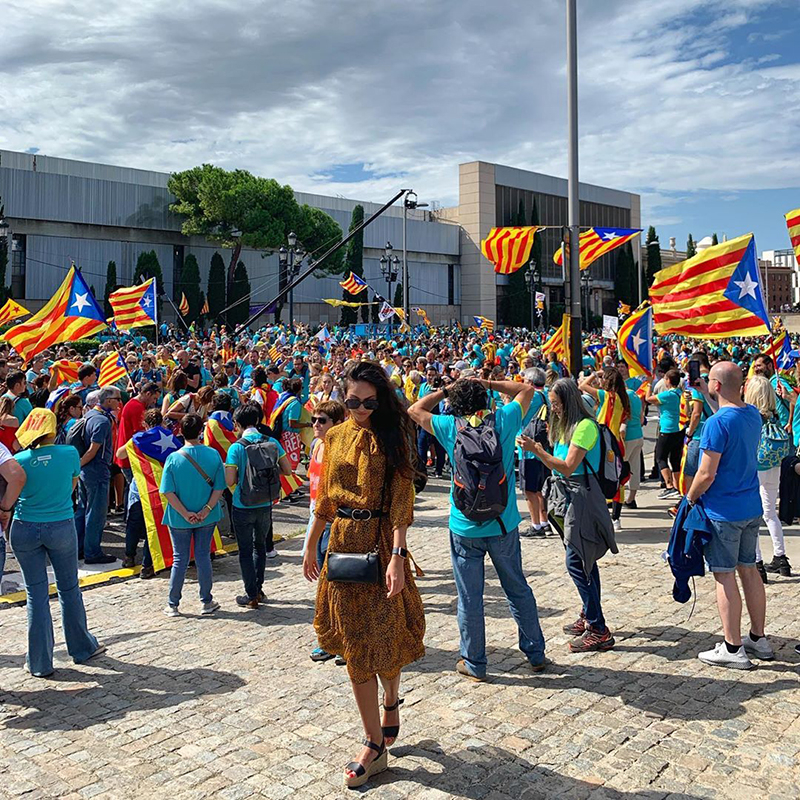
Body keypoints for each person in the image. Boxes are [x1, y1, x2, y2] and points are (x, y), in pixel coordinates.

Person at [303, 361, 424, 789]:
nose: (360, 409)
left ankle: (391, 698)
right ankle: (373, 743)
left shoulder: (394, 436)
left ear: (381, 401)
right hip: (341, 543)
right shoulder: (334, 436)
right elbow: (325, 498)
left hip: (380, 542)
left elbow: (401, 502)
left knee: (385, 636)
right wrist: (311, 544)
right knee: (354, 644)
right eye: (353, 401)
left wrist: (397, 556)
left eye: (369, 403)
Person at [410, 374, 548, 680]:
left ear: (455, 405)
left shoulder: (450, 427)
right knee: (517, 589)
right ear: (485, 400)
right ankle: (535, 652)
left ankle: (474, 662)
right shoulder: (504, 419)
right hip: (502, 523)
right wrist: (488, 382)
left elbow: (414, 410)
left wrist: (445, 389)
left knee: (470, 597)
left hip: (464, 526)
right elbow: (527, 389)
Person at [687, 361, 772, 669]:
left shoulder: (716, 424)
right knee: (749, 570)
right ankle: (758, 637)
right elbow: (728, 413)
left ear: (717, 385)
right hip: (749, 505)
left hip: (723, 510)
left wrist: (689, 497)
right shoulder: (752, 415)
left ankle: (733, 647)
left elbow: (706, 473)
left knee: (724, 575)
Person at [9, 409, 104, 677]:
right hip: (60, 525)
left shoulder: (19, 460)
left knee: (35, 594)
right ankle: (82, 647)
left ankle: (39, 662)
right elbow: (71, 486)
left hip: (24, 527)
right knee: (69, 587)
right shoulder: (69, 453)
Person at [528, 378, 618, 653]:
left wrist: (538, 451)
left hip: (582, 497)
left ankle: (599, 629)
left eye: (556, 403)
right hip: (568, 496)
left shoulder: (585, 427)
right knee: (584, 559)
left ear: (568, 401)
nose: (553, 409)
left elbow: (568, 466)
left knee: (577, 561)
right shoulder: (566, 427)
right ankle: (590, 614)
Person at [224, 403, 292, 609]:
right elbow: (287, 470)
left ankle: (251, 594)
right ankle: (259, 589)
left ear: (237, 424)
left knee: (245, 551)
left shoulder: (236, 447)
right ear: (257, 420)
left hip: (243, 504)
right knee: (260, 547)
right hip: (266, 502)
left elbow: (229, 480)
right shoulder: (272, 442)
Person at [160, 413, 226, 617]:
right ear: (200, 431)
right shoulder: (213, 454)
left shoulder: (173, 458)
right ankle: (206, 600)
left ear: (181, 431)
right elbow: (219, 487)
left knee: (179, 559)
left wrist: (185, 513)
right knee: (203, 557)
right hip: (207, 515)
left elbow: (167, 491)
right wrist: (206, 509)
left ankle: (173, 603)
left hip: (179, 517)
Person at [302, 399, 346, 662]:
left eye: (322, 421)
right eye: (314, 420)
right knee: (324, 584)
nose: (316, 425)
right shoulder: (317, 445)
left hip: (332, 520)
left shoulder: (338, 450)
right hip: (316, 516)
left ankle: (342, 640)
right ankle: (331, 638)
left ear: (337, 423)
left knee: (336, 582)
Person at [743, 375, 791, 579]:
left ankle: (757, 562)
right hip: (774, 464)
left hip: (756, 466)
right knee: (770, 512)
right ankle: (781, 557)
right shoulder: (775, 414)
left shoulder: (751, 416)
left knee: (752, 516)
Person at [76, 386, 122, 564]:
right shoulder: (102, 421)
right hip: (96, 471)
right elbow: (93, 450)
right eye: (117, 399)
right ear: (108, 400)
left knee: (83, 510)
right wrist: (79, 465)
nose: (119, 403)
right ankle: (92, 552)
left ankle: (80, 548)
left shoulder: (89, 415)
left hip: (86, 472)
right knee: (96, 514)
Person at [517, 368, 551, 538]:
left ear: (529, 382)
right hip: (542, 449)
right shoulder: (546, 395)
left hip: (528, 448)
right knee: (540, 489)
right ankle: (544, 522)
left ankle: (536, 525)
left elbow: (517, 412)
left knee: (529, 490)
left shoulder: (531, 396)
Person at [646, 369, 683, 499]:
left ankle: (669, 485)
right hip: (679, 428)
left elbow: (648, 399)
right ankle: (677, 487)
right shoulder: (680, 393)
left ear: (668, 380)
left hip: (667, 429)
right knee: (675, 459)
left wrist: (649, 384)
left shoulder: (667, 395)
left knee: (660, 457)